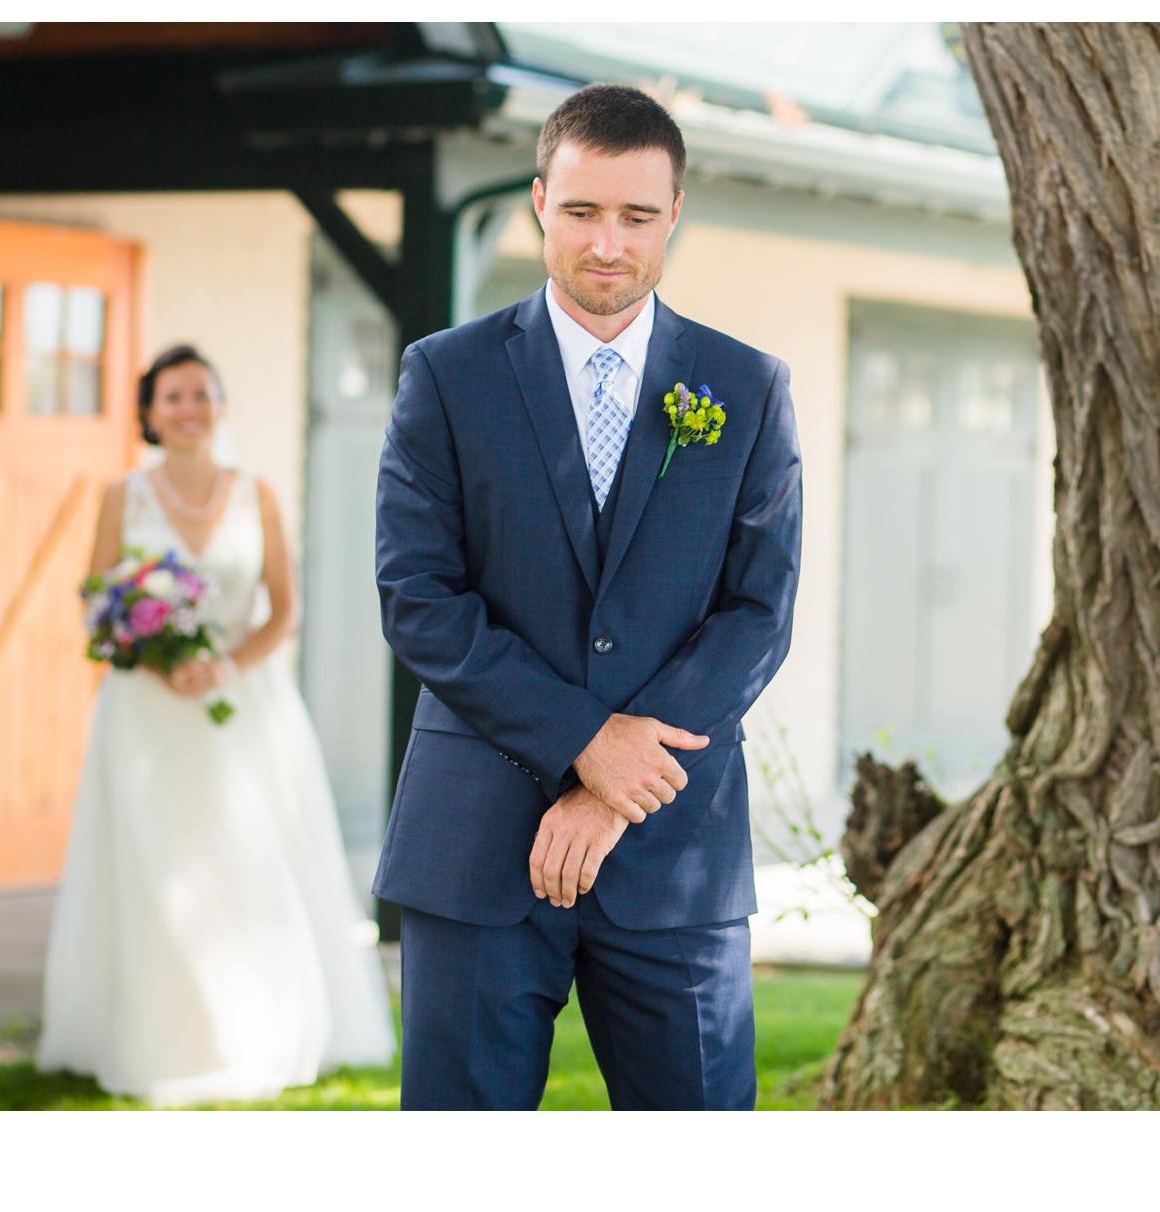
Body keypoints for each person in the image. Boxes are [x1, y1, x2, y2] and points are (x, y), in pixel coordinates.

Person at [373, 84, 802, 1110]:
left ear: (672, 217)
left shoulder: (745, 387)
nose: (606, 244)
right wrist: (584, 741)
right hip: (473, 846)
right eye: (581, 211)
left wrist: (619, 781)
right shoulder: (445, 376)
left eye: (635, 216)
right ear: (537, 203)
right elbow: (418, 598)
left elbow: (757, 612)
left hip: (674, 854)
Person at [37, 344, 395, 1105]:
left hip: (245, 709)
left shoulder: (255, 494)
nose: (190, 408)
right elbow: (97, 606)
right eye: (173, 396)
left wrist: (224, 665)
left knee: (252, 862)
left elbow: (285, 610)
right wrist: (159, 661)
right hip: (145, 714)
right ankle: (157, 1035)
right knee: (152, 868)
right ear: (149, 414)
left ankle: (259, 1026)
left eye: (202, 393)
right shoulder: (121, 498)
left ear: (222, 406)